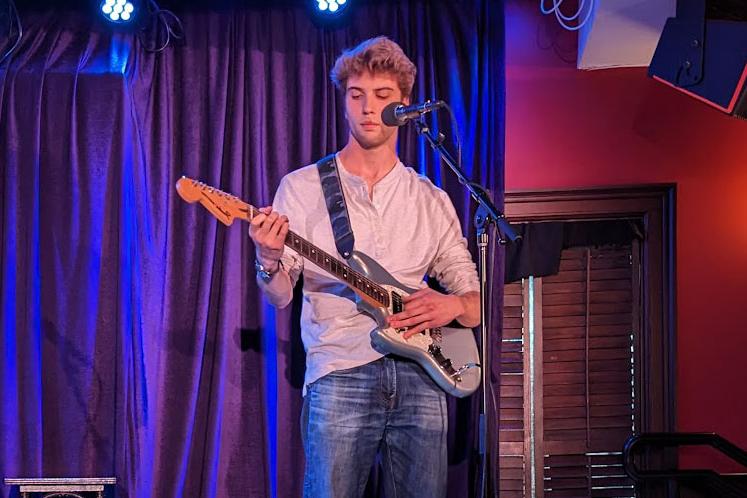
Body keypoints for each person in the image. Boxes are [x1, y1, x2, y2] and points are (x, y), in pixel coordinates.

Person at [248, 36, 480, 498]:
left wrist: (450, 303)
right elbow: (279, 297)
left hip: (423, 373)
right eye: (357, 96)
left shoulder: (431, 197)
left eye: (382, 97)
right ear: (345, 100)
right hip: (339, 370)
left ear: (405, 106)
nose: (368, 109)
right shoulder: (301, 187)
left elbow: (472, 308)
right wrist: (267, 257)